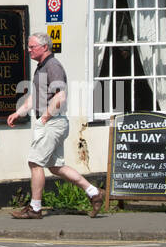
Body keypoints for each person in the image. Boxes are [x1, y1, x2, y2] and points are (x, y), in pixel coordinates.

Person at [6, 32, 103, 218]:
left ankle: (35, 208)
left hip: (52, 122)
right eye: (28, 46)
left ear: (44, 47)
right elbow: (36, 97)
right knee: (55, 167)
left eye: (32, 46)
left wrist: (45, 118)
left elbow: (60, 97)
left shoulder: (53, 66)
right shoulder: (41, 67)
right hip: (53, 122)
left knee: (35, 162)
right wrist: (18, 112)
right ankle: (94, 193)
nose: (28, 50)